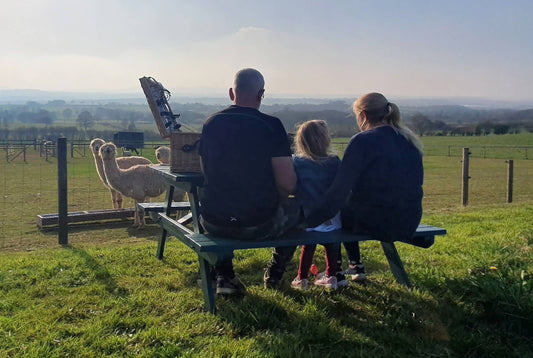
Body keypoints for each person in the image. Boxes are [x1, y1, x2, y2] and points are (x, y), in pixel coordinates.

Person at [198, 68, 301, 295]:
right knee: (298, 212)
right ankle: (275, 274)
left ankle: (225, 276)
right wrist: (277, 199)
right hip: (259, 223)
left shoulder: (211, 123)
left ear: (230, 93)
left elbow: (206, 171)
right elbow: (287, 184)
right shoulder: (272, 126)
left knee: (225, 208)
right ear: (261, 94)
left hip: (213, 221)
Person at [305, 93, 424, 276]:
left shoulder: (362, 141)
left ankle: (345, 268)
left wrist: (308, 221)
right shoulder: (408, 139)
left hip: (376, 222)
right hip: (409, 220)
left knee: (339, 214)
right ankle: (354, 265)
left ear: (363, 116)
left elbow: (338, 192)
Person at [290, 120, 348, 290]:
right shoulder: (335, 162)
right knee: (332, 244)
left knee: (308, 246)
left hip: (308, 217)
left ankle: (302, 278)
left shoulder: (297, 162)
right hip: (332, 216)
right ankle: (331, 276)